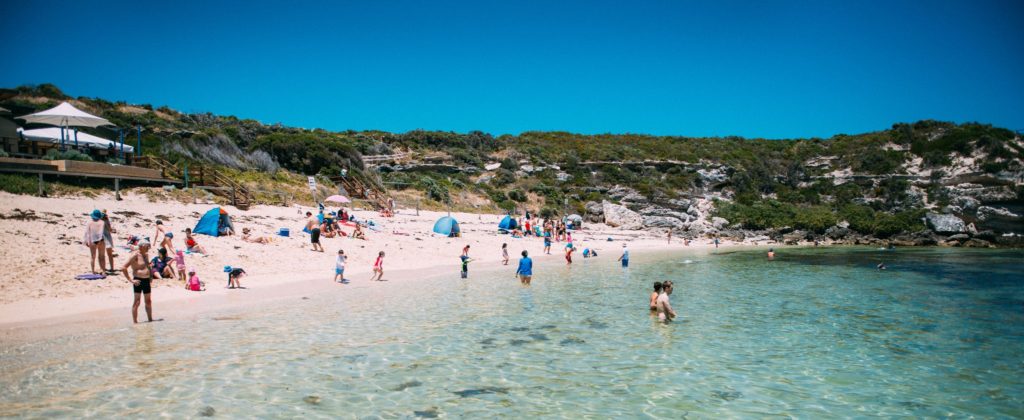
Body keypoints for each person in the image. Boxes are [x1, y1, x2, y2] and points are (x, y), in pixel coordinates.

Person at [121, 240, 154, 323]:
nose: (148, 248)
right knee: (137, 302)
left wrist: (150, 276)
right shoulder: (135, 255)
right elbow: (124, 267)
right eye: (147, 246)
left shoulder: (146, 255)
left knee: (148, 301)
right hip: (138, 280)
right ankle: (135, 322)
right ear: (142, 246)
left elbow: (147, 266)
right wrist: (131, 280)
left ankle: (150, 320)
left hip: (146, 280)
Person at [83, 209, 108, 274]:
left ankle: (93, 271)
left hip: (93, 240)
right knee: (102, 256)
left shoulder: (89, 222)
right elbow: (103, 231)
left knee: (93, 257)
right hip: (101, 240)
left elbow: (87, 233)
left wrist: (86, 241)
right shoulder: (102, 222)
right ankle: (103, 271)